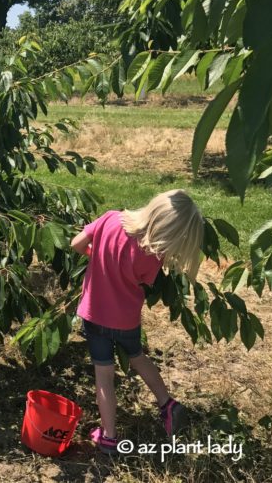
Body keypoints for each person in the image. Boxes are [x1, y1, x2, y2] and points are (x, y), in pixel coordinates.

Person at [70, 189, 204, 454]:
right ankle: (167, 404)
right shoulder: (153, 254)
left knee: (104, 376)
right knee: (138, 357)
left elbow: (76, 243)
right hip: (127, 320)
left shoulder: (110, 218)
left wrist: (97, 255)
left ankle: (109, 437)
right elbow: (143, 280)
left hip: (95, 315)